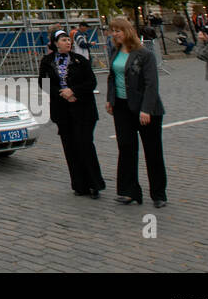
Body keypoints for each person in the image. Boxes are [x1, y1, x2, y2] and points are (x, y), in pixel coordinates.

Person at [106, 16, 167, 207]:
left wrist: (146, 109)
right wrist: (110, 99)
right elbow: (112, 77)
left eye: (118, 30)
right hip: (122, 107)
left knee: (153, 151)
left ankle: (158, 194)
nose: (115, 34)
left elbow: (151, 84)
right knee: (125, 147)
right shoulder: (115, 52)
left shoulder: (144, 54)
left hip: (145, 108)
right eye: (113, 30)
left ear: (127, 31)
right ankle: (129, 191)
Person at [39, 29, 105, 198]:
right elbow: (44, 83)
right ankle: (79, 184)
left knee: (85, 145)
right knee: (70, 147)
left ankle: (94, 184)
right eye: (63, 40)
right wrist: (61, 93)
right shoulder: (47, 62)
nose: (68, 42)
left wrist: (73, 91)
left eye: (68, 39)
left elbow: (91, 82)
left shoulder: (79, 60)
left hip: (82, 108)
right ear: (55, 43)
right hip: (62, 109)